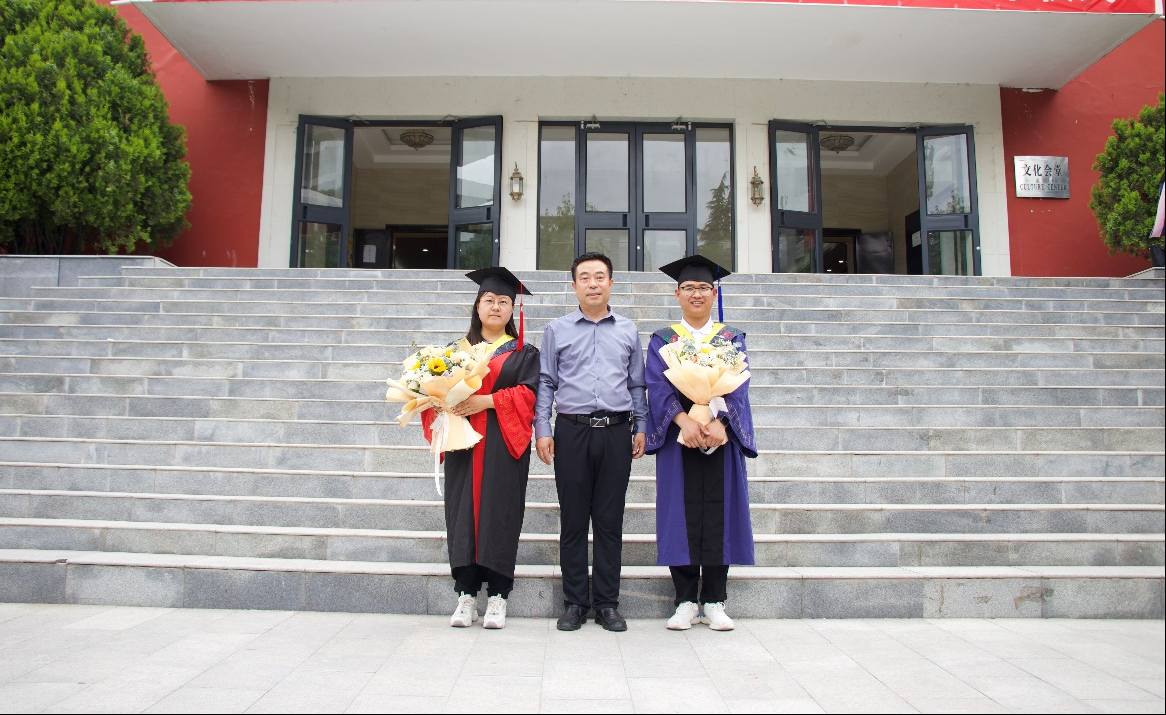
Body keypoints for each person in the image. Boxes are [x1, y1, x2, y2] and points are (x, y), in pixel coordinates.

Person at [534, 252, 647, 632]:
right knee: (573, 520)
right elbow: (546, 381)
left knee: (610, 521)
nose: (593, 283)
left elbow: (636, 383)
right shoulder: (557, 329)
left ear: (611, 283)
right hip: (572, 431)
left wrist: (641, 425)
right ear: (574, 285)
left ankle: (607, 603)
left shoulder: (628, 330)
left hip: (616, 431)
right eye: (585, 277)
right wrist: (543, 428)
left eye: (600, 276)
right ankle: (574, 602)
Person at [422, 267, 539, 629]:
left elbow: (529, 394)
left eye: (504, 301)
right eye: (489, 300)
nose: (496, 306)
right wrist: (438, 403)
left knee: (500, 512)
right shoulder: (452, 352)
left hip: (502, 443)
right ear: (477, 305)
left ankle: (499, 596)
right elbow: (431, 395)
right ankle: (466, 595)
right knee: (461, 513)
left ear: (513, 308)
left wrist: (486, 401)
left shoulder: (524, 353)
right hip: (463, 444)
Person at [644, 255, 756, 631]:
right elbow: (657, 386)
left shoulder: (730, 338)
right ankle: (685, 601)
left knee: (721, 514)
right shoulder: (664, 339)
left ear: (714, 293)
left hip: (721, 439)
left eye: (704, 287)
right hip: (680, 439)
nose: (696, 294)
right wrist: (682, 421)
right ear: (677, 294)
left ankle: (715, 600)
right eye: (689, 287)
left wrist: (723, 423)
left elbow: (739, 385)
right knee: (680, 514)